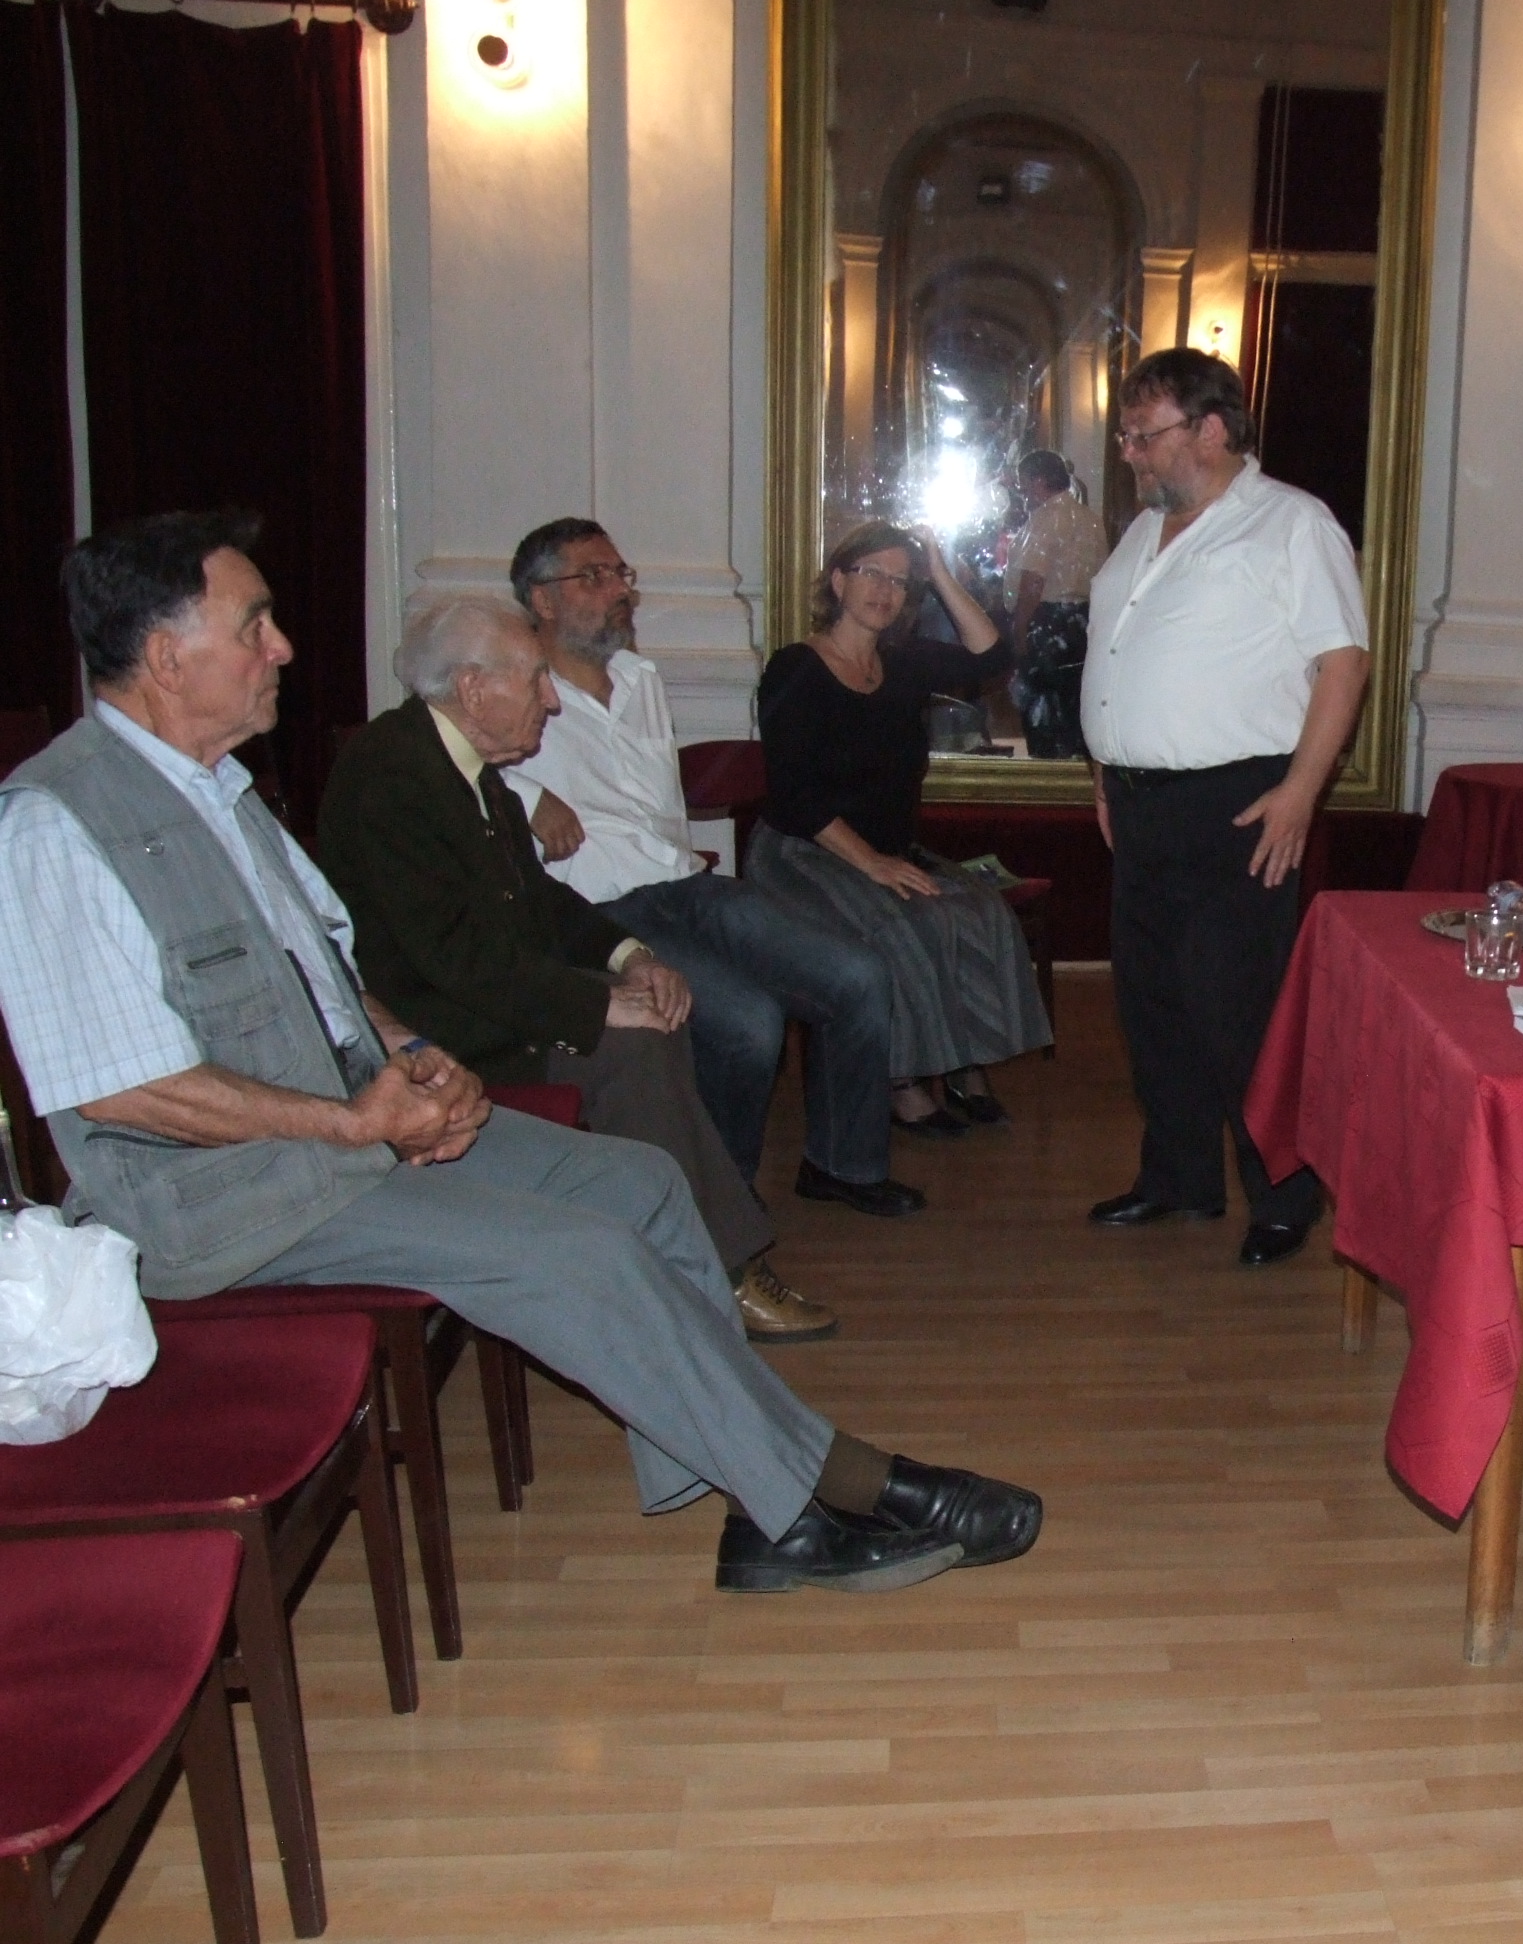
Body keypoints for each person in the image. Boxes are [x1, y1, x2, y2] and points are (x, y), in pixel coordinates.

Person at [0, 510, 1041, 1588]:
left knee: (644, 1184)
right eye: (254, 625)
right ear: (167, 657)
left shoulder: (221, 794)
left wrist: (406, 1051)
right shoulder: (55, 826)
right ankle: (825, 1494)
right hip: (233, 1203)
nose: (284, 647)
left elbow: (328, 981)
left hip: (345, 1138)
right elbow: (124, 1091)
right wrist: (352, 1119)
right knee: (585, 1257)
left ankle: (759, 1498)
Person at [317, 593, 836, 1345]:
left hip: (491, 991)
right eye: (535, 679)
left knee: (655, 1019)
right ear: (472, 688)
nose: (552, 700)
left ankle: (692, 1252)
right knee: (631, 1044)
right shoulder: (393, 777)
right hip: (434, 1028)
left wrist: (632, 957)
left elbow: (542, 899)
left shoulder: (460, 765)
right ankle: (714, 1272)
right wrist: (596, 1007)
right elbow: (454, 958)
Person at [500, 517, 923, 1235]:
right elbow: (442, 757)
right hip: (595, 908)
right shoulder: (508, 684)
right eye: (593, 576)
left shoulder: (639, 677)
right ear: (541, 600)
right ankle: (717, 1203)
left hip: (681, 885)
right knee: (747, 1023)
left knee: (857, 975)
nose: (618, 589)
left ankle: (841, 1164)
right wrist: (527, 795)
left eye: (620, 573)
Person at [1079, 349, 1371, 1269]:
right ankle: (1179, 1177)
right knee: (1154, 1005)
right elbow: (1120, 655)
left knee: (1240, 1011)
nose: (1129, 452)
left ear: (1210, 429)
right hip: (1142, 805)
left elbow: (1343, 663)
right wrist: (1105, 770)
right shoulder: (1143, 532)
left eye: (1144, 434)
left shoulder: (1292, 524)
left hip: (1237, 804)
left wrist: (1300, 793)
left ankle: (1284, 1196)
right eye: (1126, 435)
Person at [748, 521, 1054, 1137]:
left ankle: (963, 1063)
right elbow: (796, 795)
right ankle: (902, 1080)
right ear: (838, 582)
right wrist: (872, 864)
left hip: (886, 849)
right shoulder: (796, 668)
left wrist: (937, 569)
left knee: (980, 912)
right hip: (805, 851)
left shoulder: (904, 664)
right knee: (906, 924)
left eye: (899, 580)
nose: (885, 591)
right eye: (871, 574)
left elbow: (992, 656)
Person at [1001, 450, 1106, 759]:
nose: (1020, 490)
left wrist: (1020, 633)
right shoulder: (1091, 519)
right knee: (1074, 711)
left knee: (1042, 712)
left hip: (1046, 624)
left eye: (1022, 482)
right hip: (1084, 622)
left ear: (1038, 481)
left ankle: (1045, 773)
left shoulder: (1045, 519)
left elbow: (1032, 583)